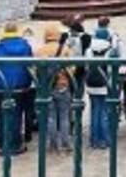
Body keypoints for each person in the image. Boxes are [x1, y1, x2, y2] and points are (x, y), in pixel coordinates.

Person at [0, 22, 33, 156]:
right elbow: (30, 64)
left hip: (2, 85)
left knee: (3, 114)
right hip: (20, 84)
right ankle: (15, 143)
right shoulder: (25, 46)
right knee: (17, 114)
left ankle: (3, 143)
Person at [34, 22, 72, 153]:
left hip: (47, 87)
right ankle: (65, 143)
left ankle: (52, 143)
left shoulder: (39, 51)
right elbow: (71, 68)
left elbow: (34, 70)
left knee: (50, 117)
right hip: (62, 85)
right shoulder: (65, 49)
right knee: (64, 116)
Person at [85, 26, 118, 149]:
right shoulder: (109, 50)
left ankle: (94, 139)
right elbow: (111, 67)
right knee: (104, 112)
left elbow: (87, 66)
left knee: (94, 111)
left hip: (91, 84)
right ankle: (105, 139)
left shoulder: (89, 50)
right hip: (104, 84)